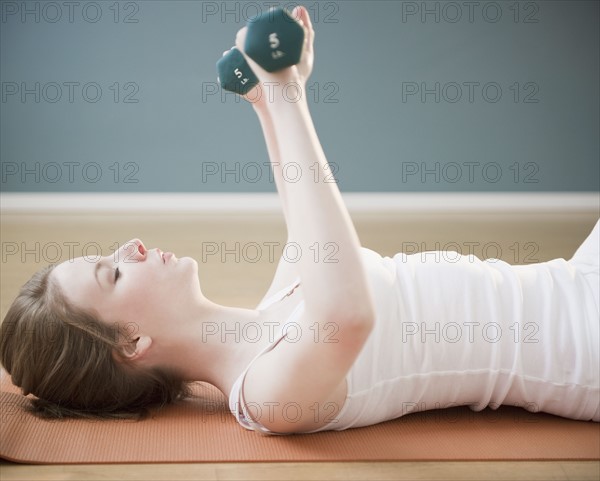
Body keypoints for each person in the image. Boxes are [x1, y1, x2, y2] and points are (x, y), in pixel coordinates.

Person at [1, 6, 598, 434]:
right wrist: (287, 94)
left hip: (575, 282)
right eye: (111, 274)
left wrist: (265, 101)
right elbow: (345, 315)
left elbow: (302, 203)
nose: (129, 245)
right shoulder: (266, 396)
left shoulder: (277, 309)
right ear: (132, 343)